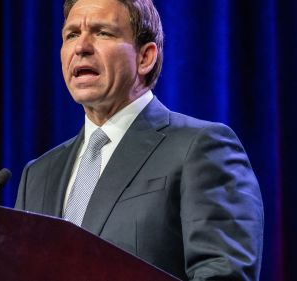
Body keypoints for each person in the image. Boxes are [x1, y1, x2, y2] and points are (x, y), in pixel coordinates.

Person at [14, 0, 264, 280]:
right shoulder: (38, 175)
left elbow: (222, 274)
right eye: (71, 34)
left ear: (145, 57)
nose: (81, 47)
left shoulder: (201, 148)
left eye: (102, 32)